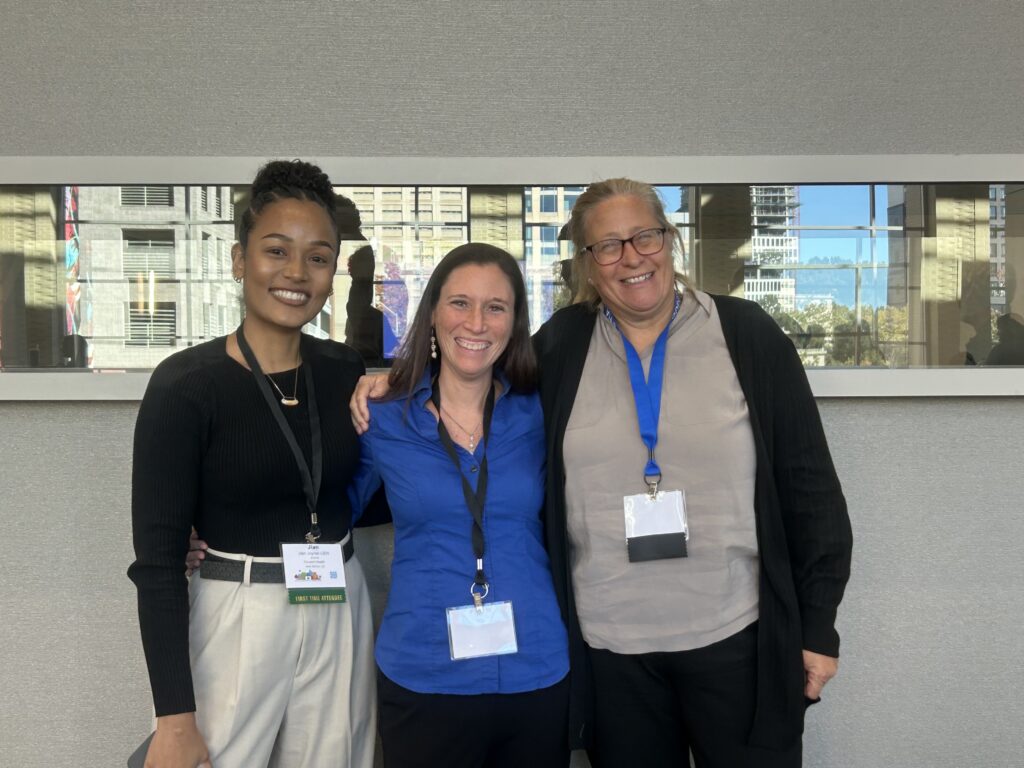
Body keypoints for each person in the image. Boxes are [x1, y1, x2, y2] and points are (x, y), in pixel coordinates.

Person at [352, 178, 853, 768]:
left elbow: (810, 488)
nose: (631, 257)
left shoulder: (746, 335)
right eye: (607, 246)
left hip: (734, 638)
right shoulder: (563, 346)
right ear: (588, 265)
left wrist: (818, 624)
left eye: (645, 236)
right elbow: (471, 366)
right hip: (612, 654)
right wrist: (389, 378)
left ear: (671, 239)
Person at [129, 160, 376, 768]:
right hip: (238, 610)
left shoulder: (343, 370)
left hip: (339, 600)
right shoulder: (186, 386)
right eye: (276, 251)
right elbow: (158, 564)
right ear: (240, 260)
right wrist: (174, 719)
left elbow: (357, 488)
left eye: (317, 257)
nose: (296, 273)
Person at [350, 242, 570, 768]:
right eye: (459, 303)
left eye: (496, 307)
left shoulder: (544, 411)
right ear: (431, 314)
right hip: (423, 673)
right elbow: (325, 509)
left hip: (534, 667)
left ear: (514, 323)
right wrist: (215, 531)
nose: (476, 322)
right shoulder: (381, 417)